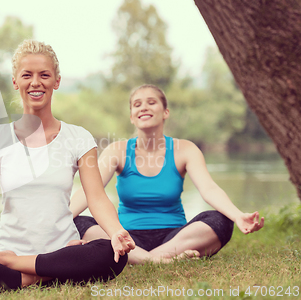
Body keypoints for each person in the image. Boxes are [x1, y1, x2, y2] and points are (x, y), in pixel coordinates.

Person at [0, 40, 135, 295]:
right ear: (15, 82)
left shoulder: (79, 137)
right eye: (27, 75)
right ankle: (49, 272)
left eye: (44, 75)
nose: (36, 82)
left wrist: (116, 231)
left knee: (112, 254)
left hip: (60, 249)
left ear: (57, 81)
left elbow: (96, 197)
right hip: (11, 247)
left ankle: (16, 266)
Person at [71, 84, 265, 264]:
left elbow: (209, 189)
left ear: (165, 112)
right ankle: (160, 261)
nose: (144, 107)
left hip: (175, 237)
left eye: (151, 102)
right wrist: (61, 217)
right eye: (137, 104)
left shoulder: (185, 149)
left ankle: (138, 259)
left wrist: (238, 215)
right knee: (78, 222)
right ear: (132, 116)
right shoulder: (117, 150)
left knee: (221, 219)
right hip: (127, 237)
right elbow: (91, 191)